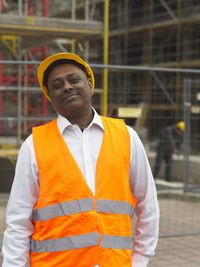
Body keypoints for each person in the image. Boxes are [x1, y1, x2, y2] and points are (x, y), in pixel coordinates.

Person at [2, 52, 159, 267]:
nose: (66, 86)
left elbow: (147, 205)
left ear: (90, 86)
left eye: (73, 79)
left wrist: (140, 260)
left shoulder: (127, 137)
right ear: (50, 97)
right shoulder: (33, 145)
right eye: (57, 85)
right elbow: (18, 222)